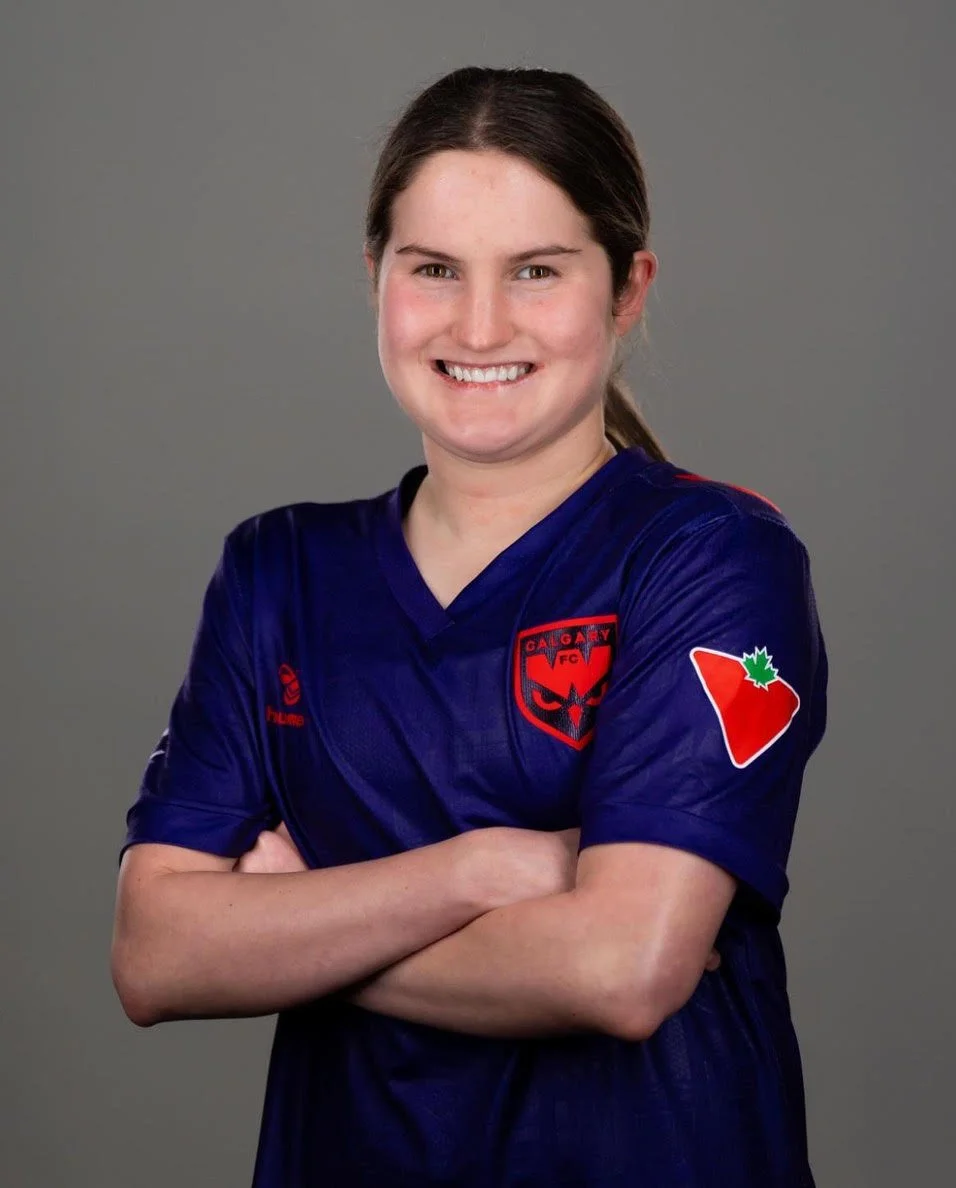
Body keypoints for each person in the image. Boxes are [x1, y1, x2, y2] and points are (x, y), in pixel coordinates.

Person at [111, 65, 827, 1187]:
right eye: (434, 268)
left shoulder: (711, 557)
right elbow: (156, 957)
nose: (479, 323)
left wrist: (288, 932)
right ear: (376, 279)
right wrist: (478, 871)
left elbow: (621, 969)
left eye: (536, 270)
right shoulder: (279, 570)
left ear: (626, 289)